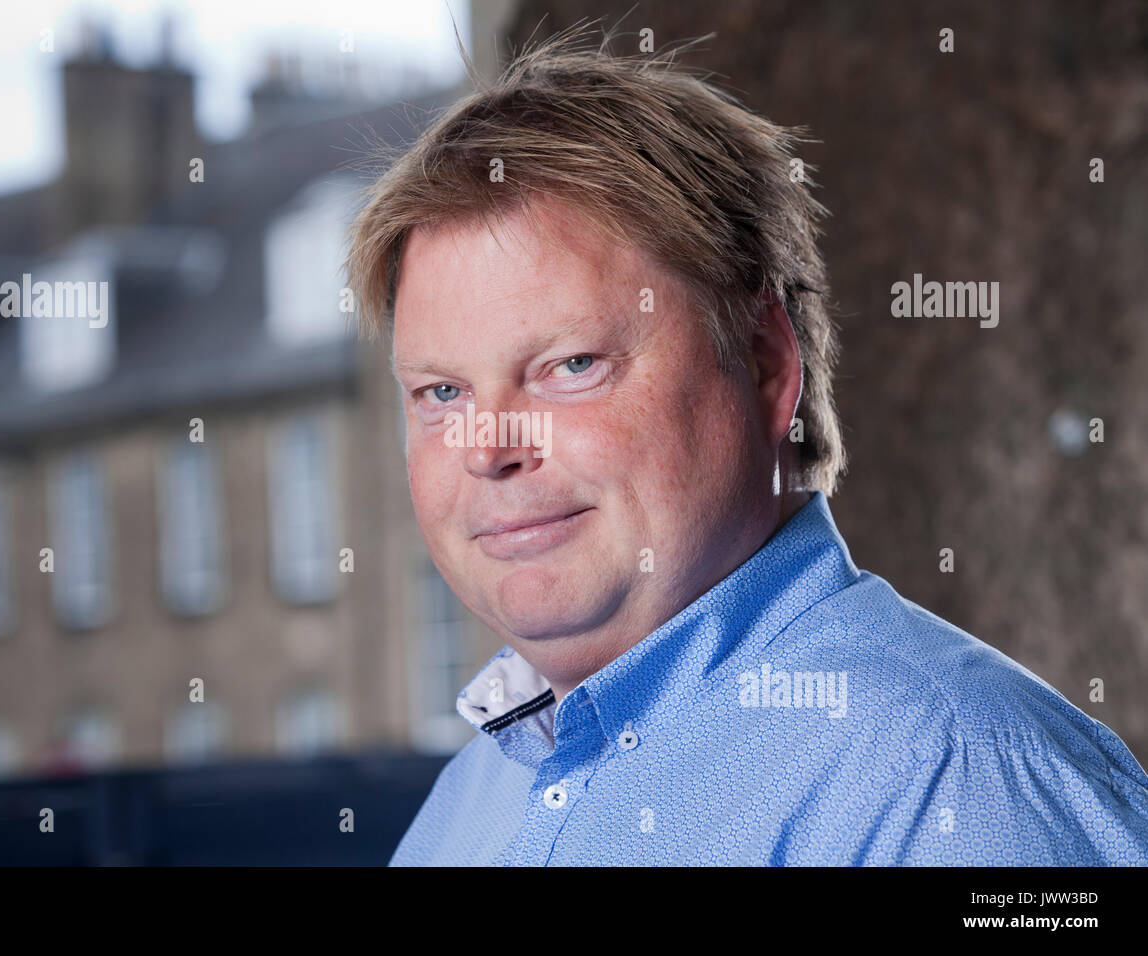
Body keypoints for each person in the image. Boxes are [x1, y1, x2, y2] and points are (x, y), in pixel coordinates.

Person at [345, 31, 1148, 865]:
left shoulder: (964, 790)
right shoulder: (467, 808)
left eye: (571, 365)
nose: (488, 449)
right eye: (442, 393)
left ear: (766, 366)